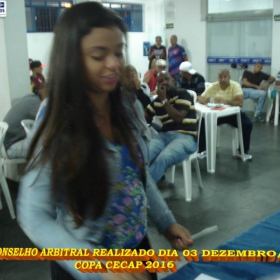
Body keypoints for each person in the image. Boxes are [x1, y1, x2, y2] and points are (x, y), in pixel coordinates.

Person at [17, 3, 193, 280]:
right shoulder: (57, 118)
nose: (114, 63)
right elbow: (33, 213)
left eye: (118, 52)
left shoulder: (127, 108)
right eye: (99, 55)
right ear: (72, 59)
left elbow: (137, 175)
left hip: (137, 253)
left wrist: (165, 221)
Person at [145, 71, 198, 183]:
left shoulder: (183, 94)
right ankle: (136, 187)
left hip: (186, 137)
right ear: (157, 86)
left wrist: (164, 100)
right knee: (144, 156)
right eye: (160, 81)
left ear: (173, 81)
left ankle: (142, 192)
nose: (164, 83)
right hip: (164, 136)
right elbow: (144, 117)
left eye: (167, 79)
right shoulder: (156, 102)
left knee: (163, 158)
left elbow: (178, 117)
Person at [197, 69, 253, 161]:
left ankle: (242, 151)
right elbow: (200, 98)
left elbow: (240, 102)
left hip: (234, 114)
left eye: (225, 77)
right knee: (202, 122)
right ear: (217, 78)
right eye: (220, 77)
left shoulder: (235, 85)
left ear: (229, 78)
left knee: (247, 125)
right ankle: (202, 150)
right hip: (218, 114)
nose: (222, 79)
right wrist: (203, 101)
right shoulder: (213, 86)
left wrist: (225, 101)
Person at [3, 84, 47, 159]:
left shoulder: (31, 97)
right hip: (11, 147)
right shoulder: (36, 104)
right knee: (47, 149)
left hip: (5, 145)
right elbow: (48, 122)